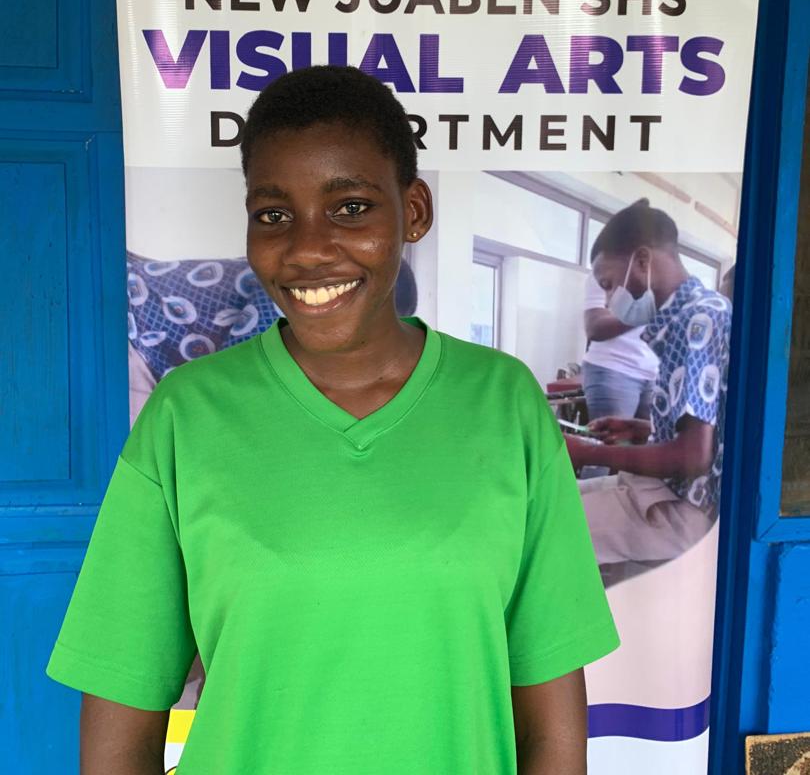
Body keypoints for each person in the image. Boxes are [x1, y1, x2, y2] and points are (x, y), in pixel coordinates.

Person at [46, 66, 619, 775]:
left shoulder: (504, 404)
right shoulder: (186, 414)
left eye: (350, 207)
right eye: (273, 214)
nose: (308, 248)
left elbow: (552, 725)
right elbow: (119, 712)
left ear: (413, 211)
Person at [564, 198, 731, 568]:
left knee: (547, 524)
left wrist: (588, 452)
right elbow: (706, 430)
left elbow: (693, 457)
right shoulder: (695, 313)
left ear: (642, 260)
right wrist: (640, 429)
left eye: (610, 285)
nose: (611, 299)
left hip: (687, 511)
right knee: (555, 497)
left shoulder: (697, 322)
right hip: (674, 490)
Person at [580, 269, 659, 477]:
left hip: (654, 373)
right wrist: (647, 310)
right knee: (603, 454)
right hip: (613, 368)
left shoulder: (660, 277)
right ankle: (586, 499)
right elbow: (595, 327)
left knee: (648, 453)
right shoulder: (606, 269)